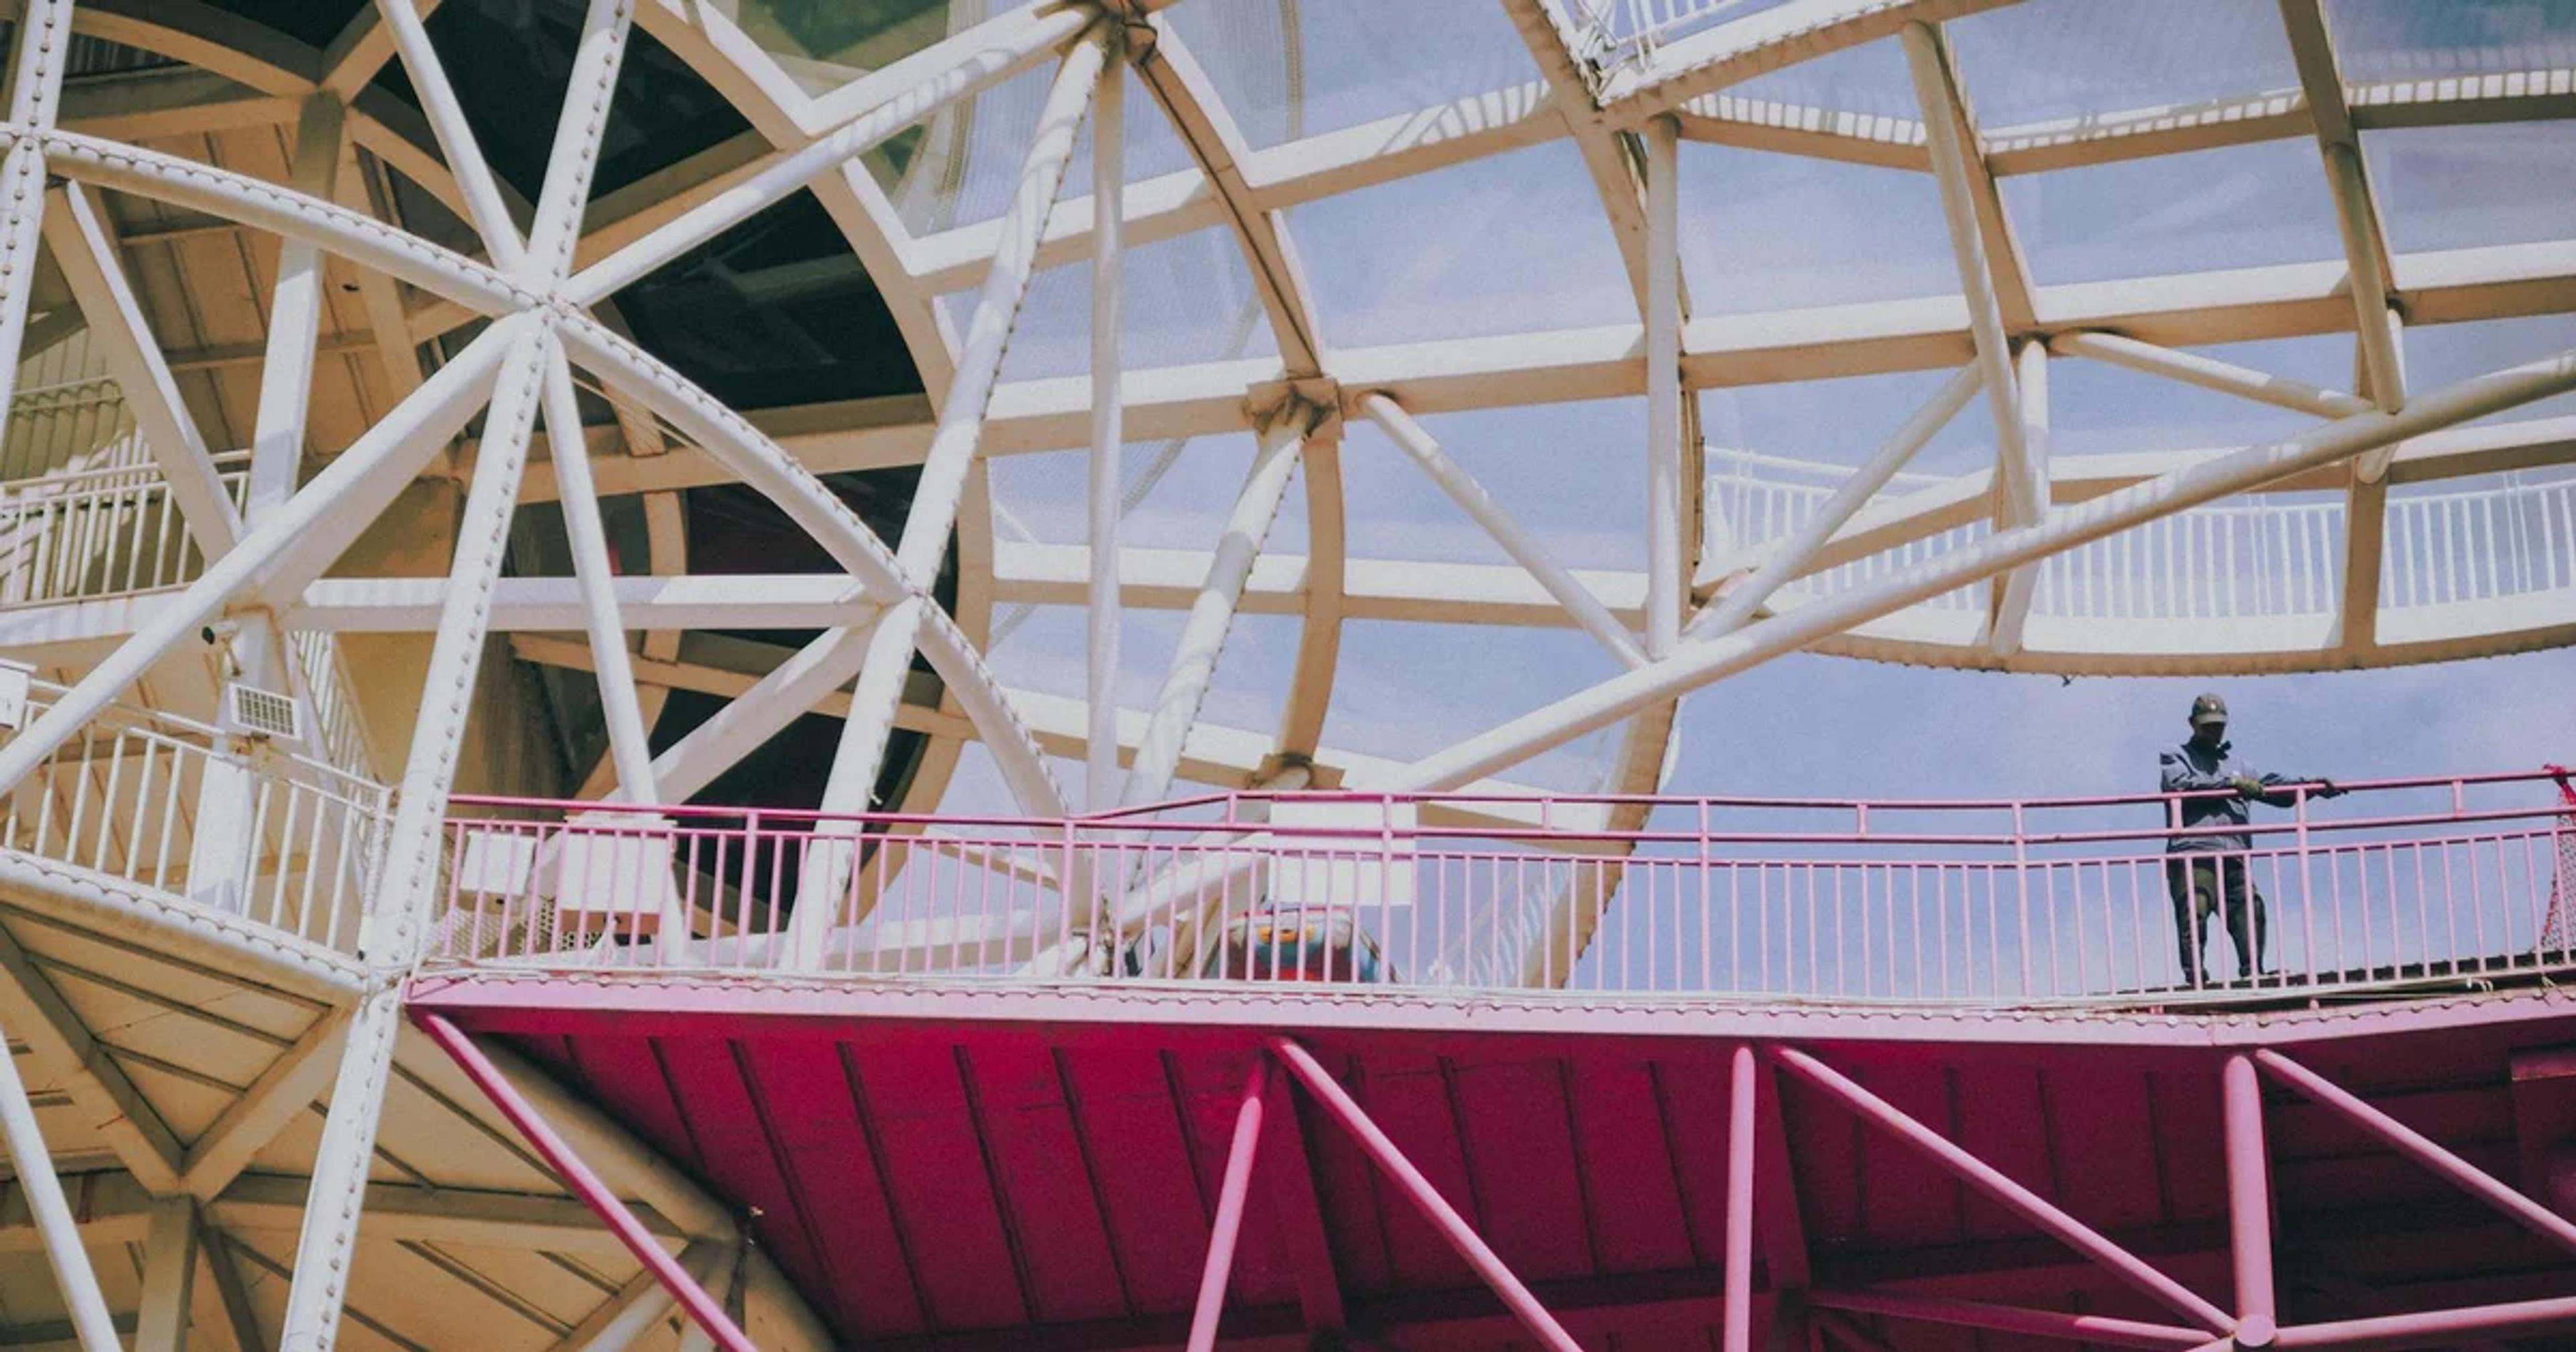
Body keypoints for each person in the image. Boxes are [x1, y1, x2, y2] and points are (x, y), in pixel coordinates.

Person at [2158, 693, 2342, 986]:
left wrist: (2310, 786)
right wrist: (2231, 785)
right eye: (2207, 725)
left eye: (2218, 725)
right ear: (2192, 724)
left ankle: (2253, 970)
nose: (2214, 731)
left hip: (2234, 853)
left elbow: (2271, 788)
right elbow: (2180, 786)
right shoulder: (2176, 755)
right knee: (2194, 908)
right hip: (2194, 851)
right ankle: (2195, 976)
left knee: (2250, 908)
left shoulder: (2239, 765)